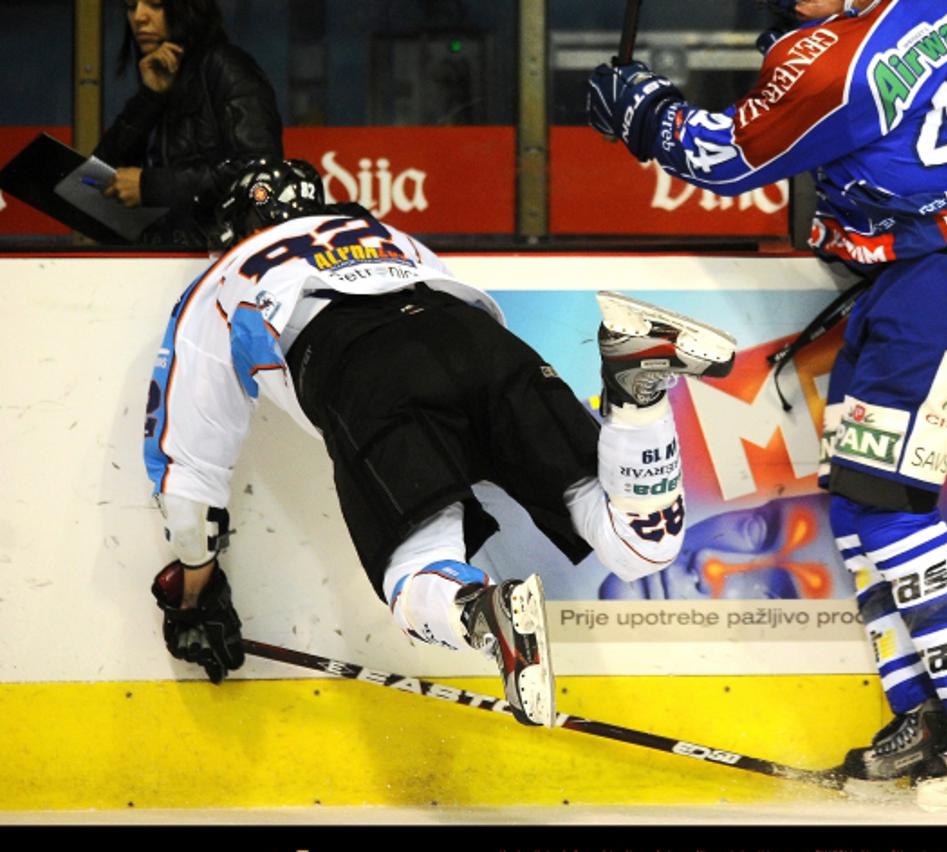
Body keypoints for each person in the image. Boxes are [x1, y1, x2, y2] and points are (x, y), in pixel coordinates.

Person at [586, 0, 947, 810]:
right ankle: (930, 715)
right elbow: (838, 96)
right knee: (860, 511)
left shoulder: (834, 59)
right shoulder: (934, 8)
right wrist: (789, 49)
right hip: (938, 282)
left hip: (936, 292)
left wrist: (645, 112)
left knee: (890, 512)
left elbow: (729, 154)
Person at [143, 158, 736, 727]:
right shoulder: (383, 234)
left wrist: (196, 577)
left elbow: (187, 459)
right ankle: (638, 393)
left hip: (364, 368)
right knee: (639, 547)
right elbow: (459, 300)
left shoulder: (224, 275)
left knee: (416, 575)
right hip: (483, 346)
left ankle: (485, 613)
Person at [94, 0, 283, 246]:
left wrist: (151, 187)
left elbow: (261, 173)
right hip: (156, 262)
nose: (139, 17)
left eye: (155, 4)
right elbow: (98, 184)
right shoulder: (159, 80)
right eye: (130, 7)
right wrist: (148, 98)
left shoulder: (225, 67)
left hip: (219, 263)